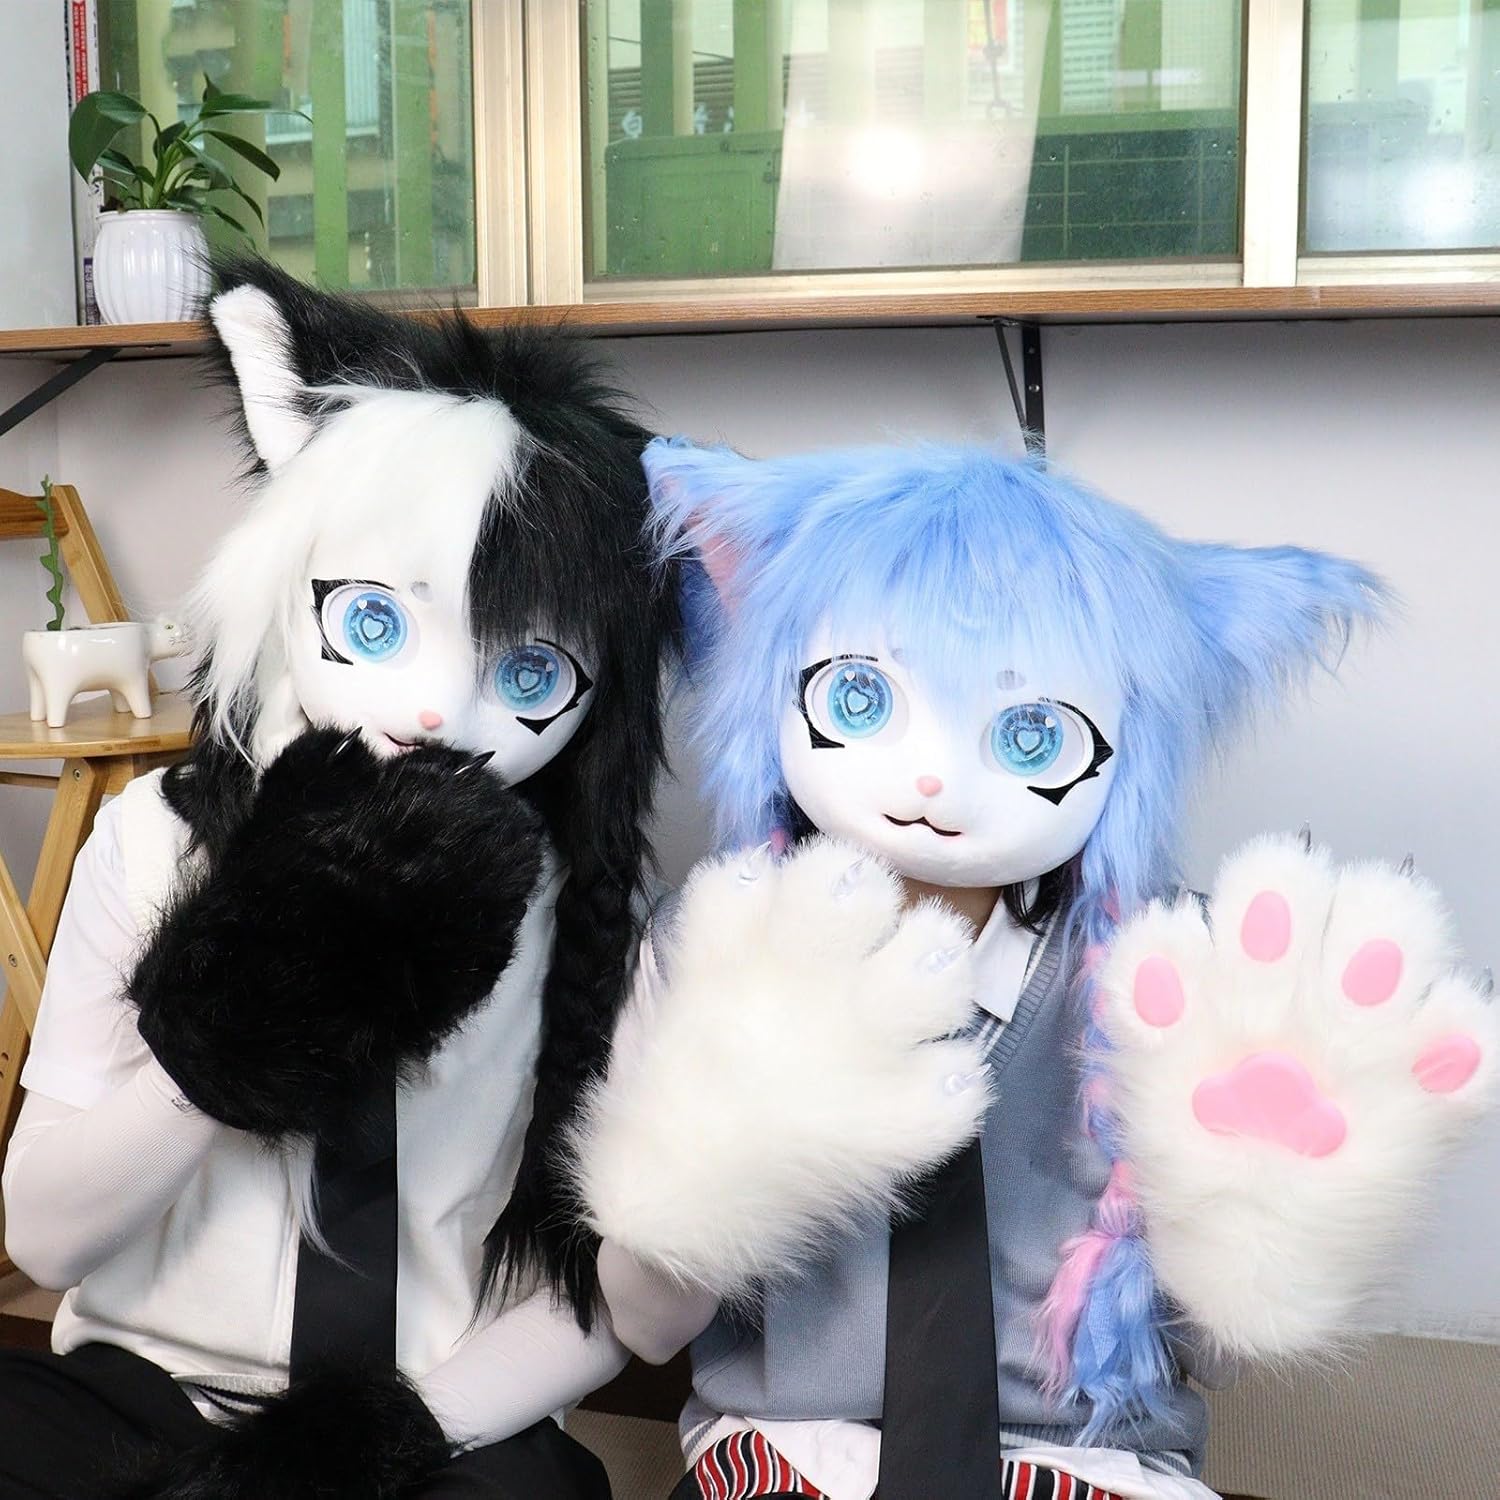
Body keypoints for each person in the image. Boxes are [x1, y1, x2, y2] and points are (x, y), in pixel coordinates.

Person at [576, 440, 1496, 1500]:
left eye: (1028, 735)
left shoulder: (1179, 975)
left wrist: (1264, 1214)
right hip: (789, 1449)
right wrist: (706, 1173)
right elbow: (647, 1325)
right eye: (863, 700)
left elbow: (1220, 1349)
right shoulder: (713, 941)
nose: (936, 777)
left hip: (1087, 1459)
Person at [0, 260, 677, 1499]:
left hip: (433, 1412)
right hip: (146, 1380)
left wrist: (386, 1441)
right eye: (377, 626)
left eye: (527, 675)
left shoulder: (581, 908)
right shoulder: (155, 842)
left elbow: (597, 1297)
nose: (435, 711)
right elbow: (42, 1237)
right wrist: (230, 1040)